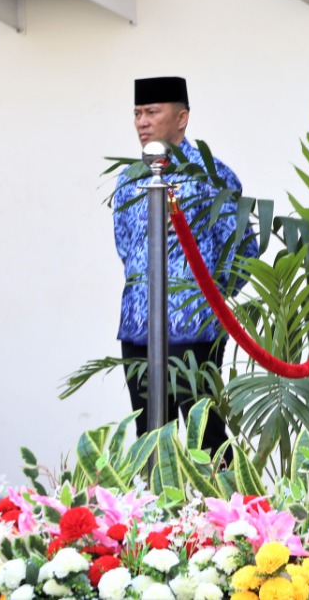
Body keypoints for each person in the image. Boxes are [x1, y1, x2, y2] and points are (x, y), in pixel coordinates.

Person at [113, 76, 256, 453]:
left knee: (205, 436)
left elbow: (242, 249)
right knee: (150, 438)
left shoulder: (212, 176)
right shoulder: (128, 179)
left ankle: (221, 494)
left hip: (195, 331)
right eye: (137, 113)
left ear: (182, 118)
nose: (142, 122)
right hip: (139, 329)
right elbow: (125, 247)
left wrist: (208, 298)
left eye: (151, 112)